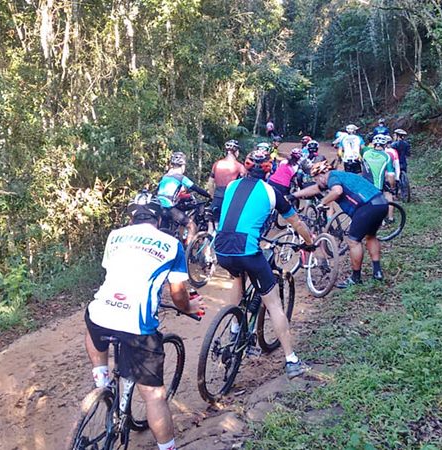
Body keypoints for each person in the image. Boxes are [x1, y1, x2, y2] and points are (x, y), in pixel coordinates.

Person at [84, 192, 205, 450]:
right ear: (159, 220)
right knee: (153, 395)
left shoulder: (114, 236)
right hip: (136, 325)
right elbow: (179, 294)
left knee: (93, 315)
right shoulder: (172, 245)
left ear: (131, 218)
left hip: (100, 314)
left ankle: (102, 382)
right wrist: (188, 308)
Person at [214, 148, 315, 379]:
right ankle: (292, 360)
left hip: (221, 248)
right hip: (248, 250)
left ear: (247, 167)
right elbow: (296, 222)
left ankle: (235, 328)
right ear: (269, 169)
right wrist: (309, 242)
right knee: (274, 304)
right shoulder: (271, 192)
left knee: (237, 276)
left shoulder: (231, 186)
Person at [286, 160, 389, 287]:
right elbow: (315, 188)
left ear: (322, 175)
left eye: (317, 179)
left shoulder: (332, 177)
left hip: (367, 207)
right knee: (370, 236)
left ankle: (355, 278)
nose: (317, 182)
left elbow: (337, 191)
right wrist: (294, 195)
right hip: (381, 203)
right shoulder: (341, 175)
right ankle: (377, 272)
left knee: (353, 241)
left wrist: (322, 203)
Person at [157, 151, 211, 244]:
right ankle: (186, 252)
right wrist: (209, 196)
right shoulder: (180, 177)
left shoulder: (165, 176)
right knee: (191, 225)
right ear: (183, 166)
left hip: (159, 207)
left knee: (163, 232)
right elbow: (196, 189)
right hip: (169, 207)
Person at [207, 140, 246, 223]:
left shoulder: (217, 164)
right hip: (230, 199)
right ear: (236, 152)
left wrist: (212, 196)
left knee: (212, 223)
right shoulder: (239, 166)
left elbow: (210, 183)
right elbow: (244, 185)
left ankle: (209, 235)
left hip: (217, 197)